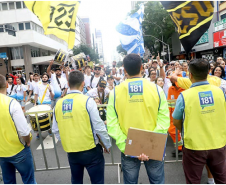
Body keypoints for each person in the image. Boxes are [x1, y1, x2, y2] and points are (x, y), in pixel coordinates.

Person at [107, 53, 170, 184]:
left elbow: (112, 124)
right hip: (153, 146)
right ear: (142, 67)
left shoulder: (115, 92)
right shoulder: (157, 89)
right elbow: (164, 120)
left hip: (128, 146)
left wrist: (127, 146)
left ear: (124, 70)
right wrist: (150, 146)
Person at [52, 70, 111, 184]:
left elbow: (55, 129)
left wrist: (67, 142)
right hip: (91, 149)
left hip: (72, 151)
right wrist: (107, 145)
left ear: (68, 84)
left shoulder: (59, 104)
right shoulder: (88, 101)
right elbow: (99, 127)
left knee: (76, 180)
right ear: (83, 84)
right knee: (97, 181)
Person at [173, 58, 226, 184]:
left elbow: (176, 121)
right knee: (222, 180)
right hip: (218, 144)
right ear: (209, 72)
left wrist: (186, 130)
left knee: (193, 181)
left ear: (190, 74)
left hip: (193, 146)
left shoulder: (184, 96)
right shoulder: (220, 92)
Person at [0, 74, 36, 184]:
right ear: (6, 85)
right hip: (19, 150)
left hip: (2, 153)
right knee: (29, 180)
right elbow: (24, 131)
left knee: (9, 182)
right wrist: (28, 141)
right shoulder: (11, 103)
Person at [34, 73, 54, 139]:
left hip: (48, 103)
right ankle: (38, 133)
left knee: (48, 118)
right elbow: (36, 94)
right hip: (40, 103)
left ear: (48, 78)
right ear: (41, 78)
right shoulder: (38, 85)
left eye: (46, 77)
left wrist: (50, 90)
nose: (44, 78)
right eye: (43, 77)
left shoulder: (50, 86)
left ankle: (49, 130)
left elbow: (52, 96)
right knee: (39, 118)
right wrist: (35, 103)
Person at [167, 79, 184, 157]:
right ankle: (179, 147)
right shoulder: (171, 89)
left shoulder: (185, 88)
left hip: (184, 114)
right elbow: (169, 103)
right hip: (174, 114)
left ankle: (182, 147)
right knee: (171, 129)